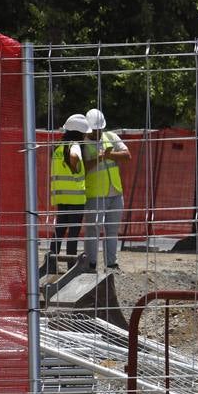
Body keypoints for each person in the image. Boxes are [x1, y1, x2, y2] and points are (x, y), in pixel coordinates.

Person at [83, 107, 130, 271]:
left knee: (112, 230)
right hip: (95, 194)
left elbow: (127, 155)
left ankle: (111, 263)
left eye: (100, 129)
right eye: (95, 130)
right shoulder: (83, 143)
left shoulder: (111, 136)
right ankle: (91, 264)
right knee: (93, 230)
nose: (98, 132)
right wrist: (100, 157)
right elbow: (83, 167)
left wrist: (110, 155)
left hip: (115, 191)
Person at [46, 114, 91, 274]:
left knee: (59, 229)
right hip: (75, 196)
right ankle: (72, 265)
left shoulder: (58, 146)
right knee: (73, 231)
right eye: (85, 133)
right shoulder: (74, 145)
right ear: (79, 132)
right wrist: (75, 167)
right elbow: (73, 156)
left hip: (61, 195)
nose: (86, 136)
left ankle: (51, 262)